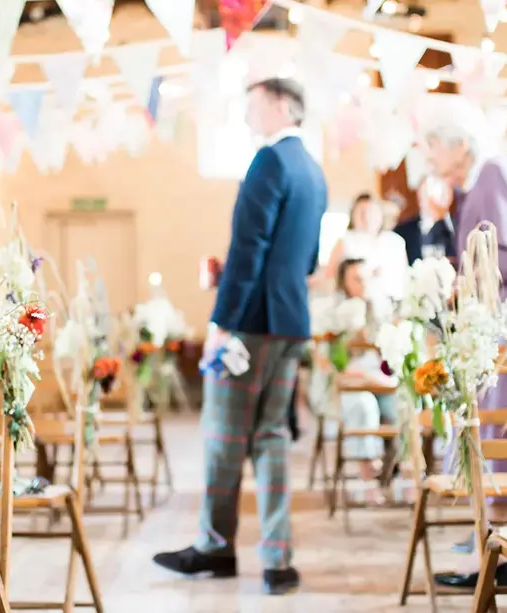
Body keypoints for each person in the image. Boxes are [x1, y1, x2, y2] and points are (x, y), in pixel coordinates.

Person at [152, 78, 326, 596]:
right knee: (271, 437)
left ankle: (213, 546)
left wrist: (219, 323)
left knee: (224, 437)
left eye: (252, 106)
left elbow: (249, 250)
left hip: (250, 324)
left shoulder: (268, 162)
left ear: (279, 105)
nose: (247, 117)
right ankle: (277, 561)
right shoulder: (313, 171)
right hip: (292, 321)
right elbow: (309, 258)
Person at [418, 96, 507, 588]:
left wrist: (461, 283)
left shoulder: (495, 172)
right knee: (500, 440)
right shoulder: (482, 178)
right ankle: (500, 553)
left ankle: (499, 558)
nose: (428, 155)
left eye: (433, 144)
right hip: (504, 323)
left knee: (503, 437)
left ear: (460, 142)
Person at [334, 258, 398, 503]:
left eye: (365, 278)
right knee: (364, 406)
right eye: (356, 279)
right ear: (344, 282)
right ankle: (367, 474)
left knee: (401, 404)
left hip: (379, 378)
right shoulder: (338, 313)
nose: (362, 284)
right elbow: (331, 358)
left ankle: (402, 470)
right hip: (350, 380)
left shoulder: (380, 311)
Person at [324, 193, 408, 322]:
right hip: (353, 310)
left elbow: (404, 278)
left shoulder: (395, 242)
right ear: (353, 216)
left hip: (391, 308)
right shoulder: (345, 241)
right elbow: (330, 276)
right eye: (361, 212)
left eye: (372, 212)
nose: (367, 218)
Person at [393, 177, 457, 265]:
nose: (434, 199)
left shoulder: (462, 226)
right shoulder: (401, 233)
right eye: (427, 194)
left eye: (440, 193)